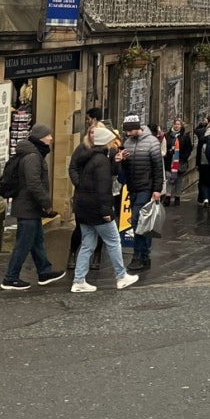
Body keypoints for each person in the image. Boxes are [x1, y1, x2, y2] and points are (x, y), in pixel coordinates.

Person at [70, 125, 138, 293]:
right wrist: (107, 211)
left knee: (87, 244)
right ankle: (121, 276)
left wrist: (116, 161)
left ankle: (79, 280)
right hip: (96, 209)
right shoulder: (101, 161)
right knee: (113, 241)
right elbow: (103, 189)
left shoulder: (92, 157)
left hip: (83, 206)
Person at [1, 123, 66, 292]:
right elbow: (33, 184)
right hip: (27, 207)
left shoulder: (33, 153)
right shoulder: (32, 157)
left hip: (30, 207)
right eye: (48, 135)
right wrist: (46, 203)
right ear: (40, 138)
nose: (51, 138)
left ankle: (44, 272)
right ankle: (10, 278)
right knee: (23, 244)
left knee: (37, 241)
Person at [117, 115, 164, 272]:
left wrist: (157, 190)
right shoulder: (127, 143)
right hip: (132, 187)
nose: (127, 134)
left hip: (146, 187)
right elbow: (125, 168)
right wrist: (122, 159)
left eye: (129, 131)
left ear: (137, 128)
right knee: (141, 223)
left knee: (137, 220)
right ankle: (145, 256)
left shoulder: (152, 142)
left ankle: (137, 256)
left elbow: (158, 167)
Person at [164, 119, 192, 205]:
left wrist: (183, 157)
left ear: (181, 126)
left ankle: (177, 197)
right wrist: (168, 152)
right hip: (169, 161)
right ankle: (168, 197)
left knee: (178, 180)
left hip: (180, 161)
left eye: (178, 124)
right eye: (175, 124)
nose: (176, 126)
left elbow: (188, 149)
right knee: (169, 178)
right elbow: (164, 146)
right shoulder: (167, 135)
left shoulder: (185, 136)